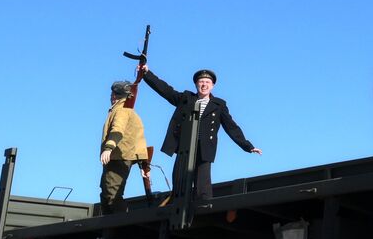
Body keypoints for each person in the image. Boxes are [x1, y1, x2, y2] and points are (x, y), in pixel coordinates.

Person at [138, 65, 261, 202]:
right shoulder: (186, 98)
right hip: (185, 147)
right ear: (196, 84)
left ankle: (203, 210)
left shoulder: (219, 105)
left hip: (204, 149)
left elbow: (231, 127)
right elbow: (165, 90)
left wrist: (247, 146)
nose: (204, 84)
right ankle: (178, 208)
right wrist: (147, 74)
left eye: (207, 82)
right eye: (201, 81)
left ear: (212, 85)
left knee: (203, 186)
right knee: (180, 183)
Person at [99, 81, 150, 215]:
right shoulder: (132, 113)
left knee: (111, 194)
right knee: (108, 192)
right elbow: (139, 142)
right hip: (124, 156)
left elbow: (118, 131)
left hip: (118, 157)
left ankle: (118, 225)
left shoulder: (120, 110)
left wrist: (108, 148)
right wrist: (144, 165)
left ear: (114, 96)